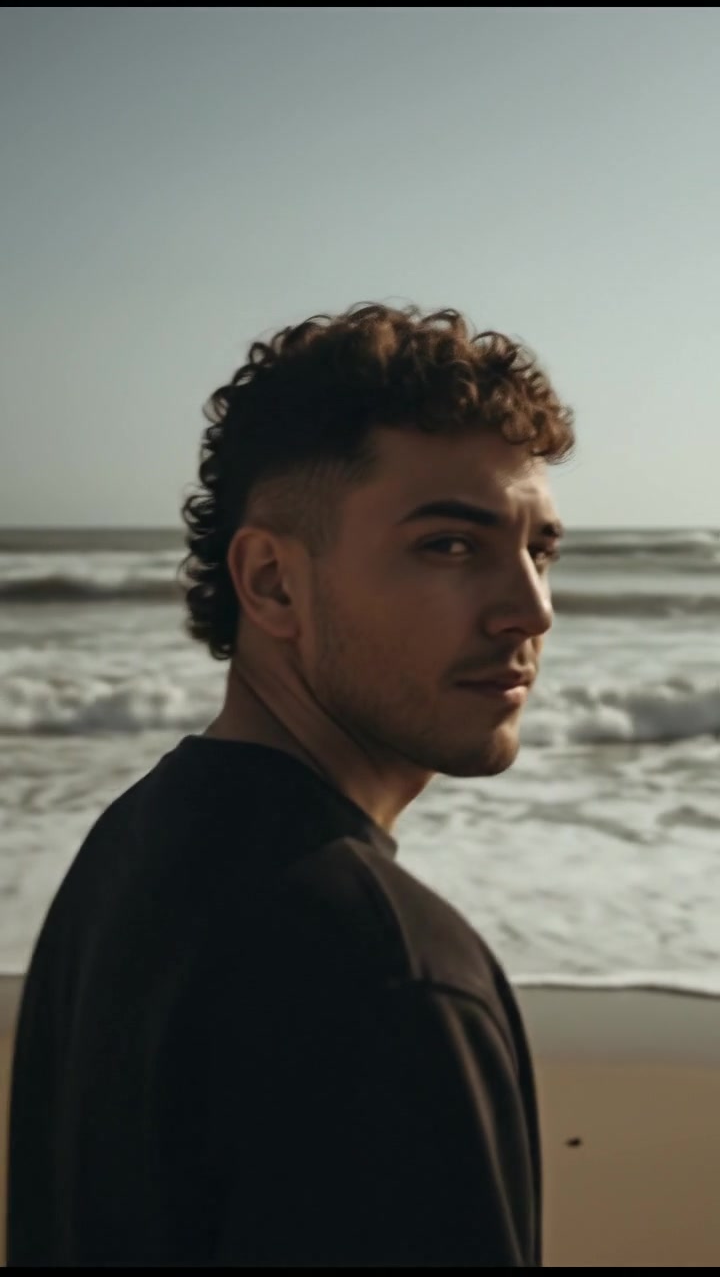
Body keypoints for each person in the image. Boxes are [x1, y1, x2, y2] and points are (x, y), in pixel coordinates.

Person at [7, 303, 574, 1267]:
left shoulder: (132, 843)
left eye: (540, 550)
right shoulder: (393, 976)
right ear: (272, 582)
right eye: (450, 544)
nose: (532, 608)